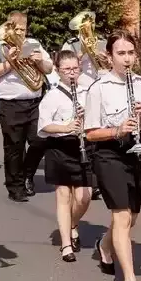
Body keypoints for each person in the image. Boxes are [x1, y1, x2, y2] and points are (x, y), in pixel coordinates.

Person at [84, 30, 141, 281]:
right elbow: (90, 133)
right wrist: (116, 130)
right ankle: (130, 280)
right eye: (121, 53)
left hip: (136, 152)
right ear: (110, 56)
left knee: (132, 218)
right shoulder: (99, 88)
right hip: (108, 154)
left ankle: (105, 246)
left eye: (131, 53)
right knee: (121, 216)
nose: (127, 59)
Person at [0, 10, 53, 202]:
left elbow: (49, 68)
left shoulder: (33, 44)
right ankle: (15, 187)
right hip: (10, 104)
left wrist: (40, 62)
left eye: (23, 29)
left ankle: (27, 174)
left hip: (35, 102)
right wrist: (10, 63)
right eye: (17, 29)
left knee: (40, 140)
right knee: (14, 147)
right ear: (9, 28)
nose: (21, 33)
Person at [37, 50, 95, 263]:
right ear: (58, 70)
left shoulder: (87, 91)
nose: (72, 73)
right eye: (67, 69)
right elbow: (43, 126)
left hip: (83, 147)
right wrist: (66, 126)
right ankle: (66, 244)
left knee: (84, 197)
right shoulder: (52, 96)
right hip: (59, 147)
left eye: (75, 69)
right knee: (63, 195)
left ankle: (72, 223)